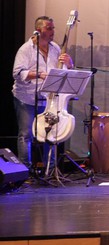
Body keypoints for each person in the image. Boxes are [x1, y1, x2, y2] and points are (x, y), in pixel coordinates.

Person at [12, 15, 75, 167]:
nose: (53, 31)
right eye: (49, 28)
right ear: (39, 30)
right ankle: (25, 170)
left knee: (51, 132)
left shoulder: (55, 48)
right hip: (26, 97)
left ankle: (49, 169)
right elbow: (17, 73)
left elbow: (62, 72)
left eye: (53, 28)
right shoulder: (26, 49)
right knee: (26, 134)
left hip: (48, 99)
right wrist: (39, 74)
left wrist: (70, 64)